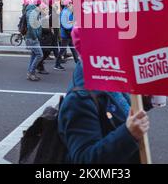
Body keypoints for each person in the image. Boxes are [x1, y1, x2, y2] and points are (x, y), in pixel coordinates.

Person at [58, 27, 150, 164]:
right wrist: (128, 134)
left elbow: (123, 108)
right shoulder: (79, 100)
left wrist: (147, 101)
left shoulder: (109, 77)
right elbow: (84, 159)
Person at [54, 0, 79, 71]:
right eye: (70, 3)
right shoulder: (65, 12)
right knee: (62, 50)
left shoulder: (68, 11)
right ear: (67, 4)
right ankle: (57, 64)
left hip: (69, 34)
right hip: (66, 35)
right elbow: (64, 24)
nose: (72, 4)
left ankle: (78, 63)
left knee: (73, 49)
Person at [25, 0, 44, 81]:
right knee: (39, 55)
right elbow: (31, 26)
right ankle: (31, 72)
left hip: (33, 37)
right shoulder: (32, 12)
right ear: (38, 3)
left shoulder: (33, 11)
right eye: (41, 4)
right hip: (32, 38)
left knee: (34, 55)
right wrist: (35, 37)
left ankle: (30, 73)